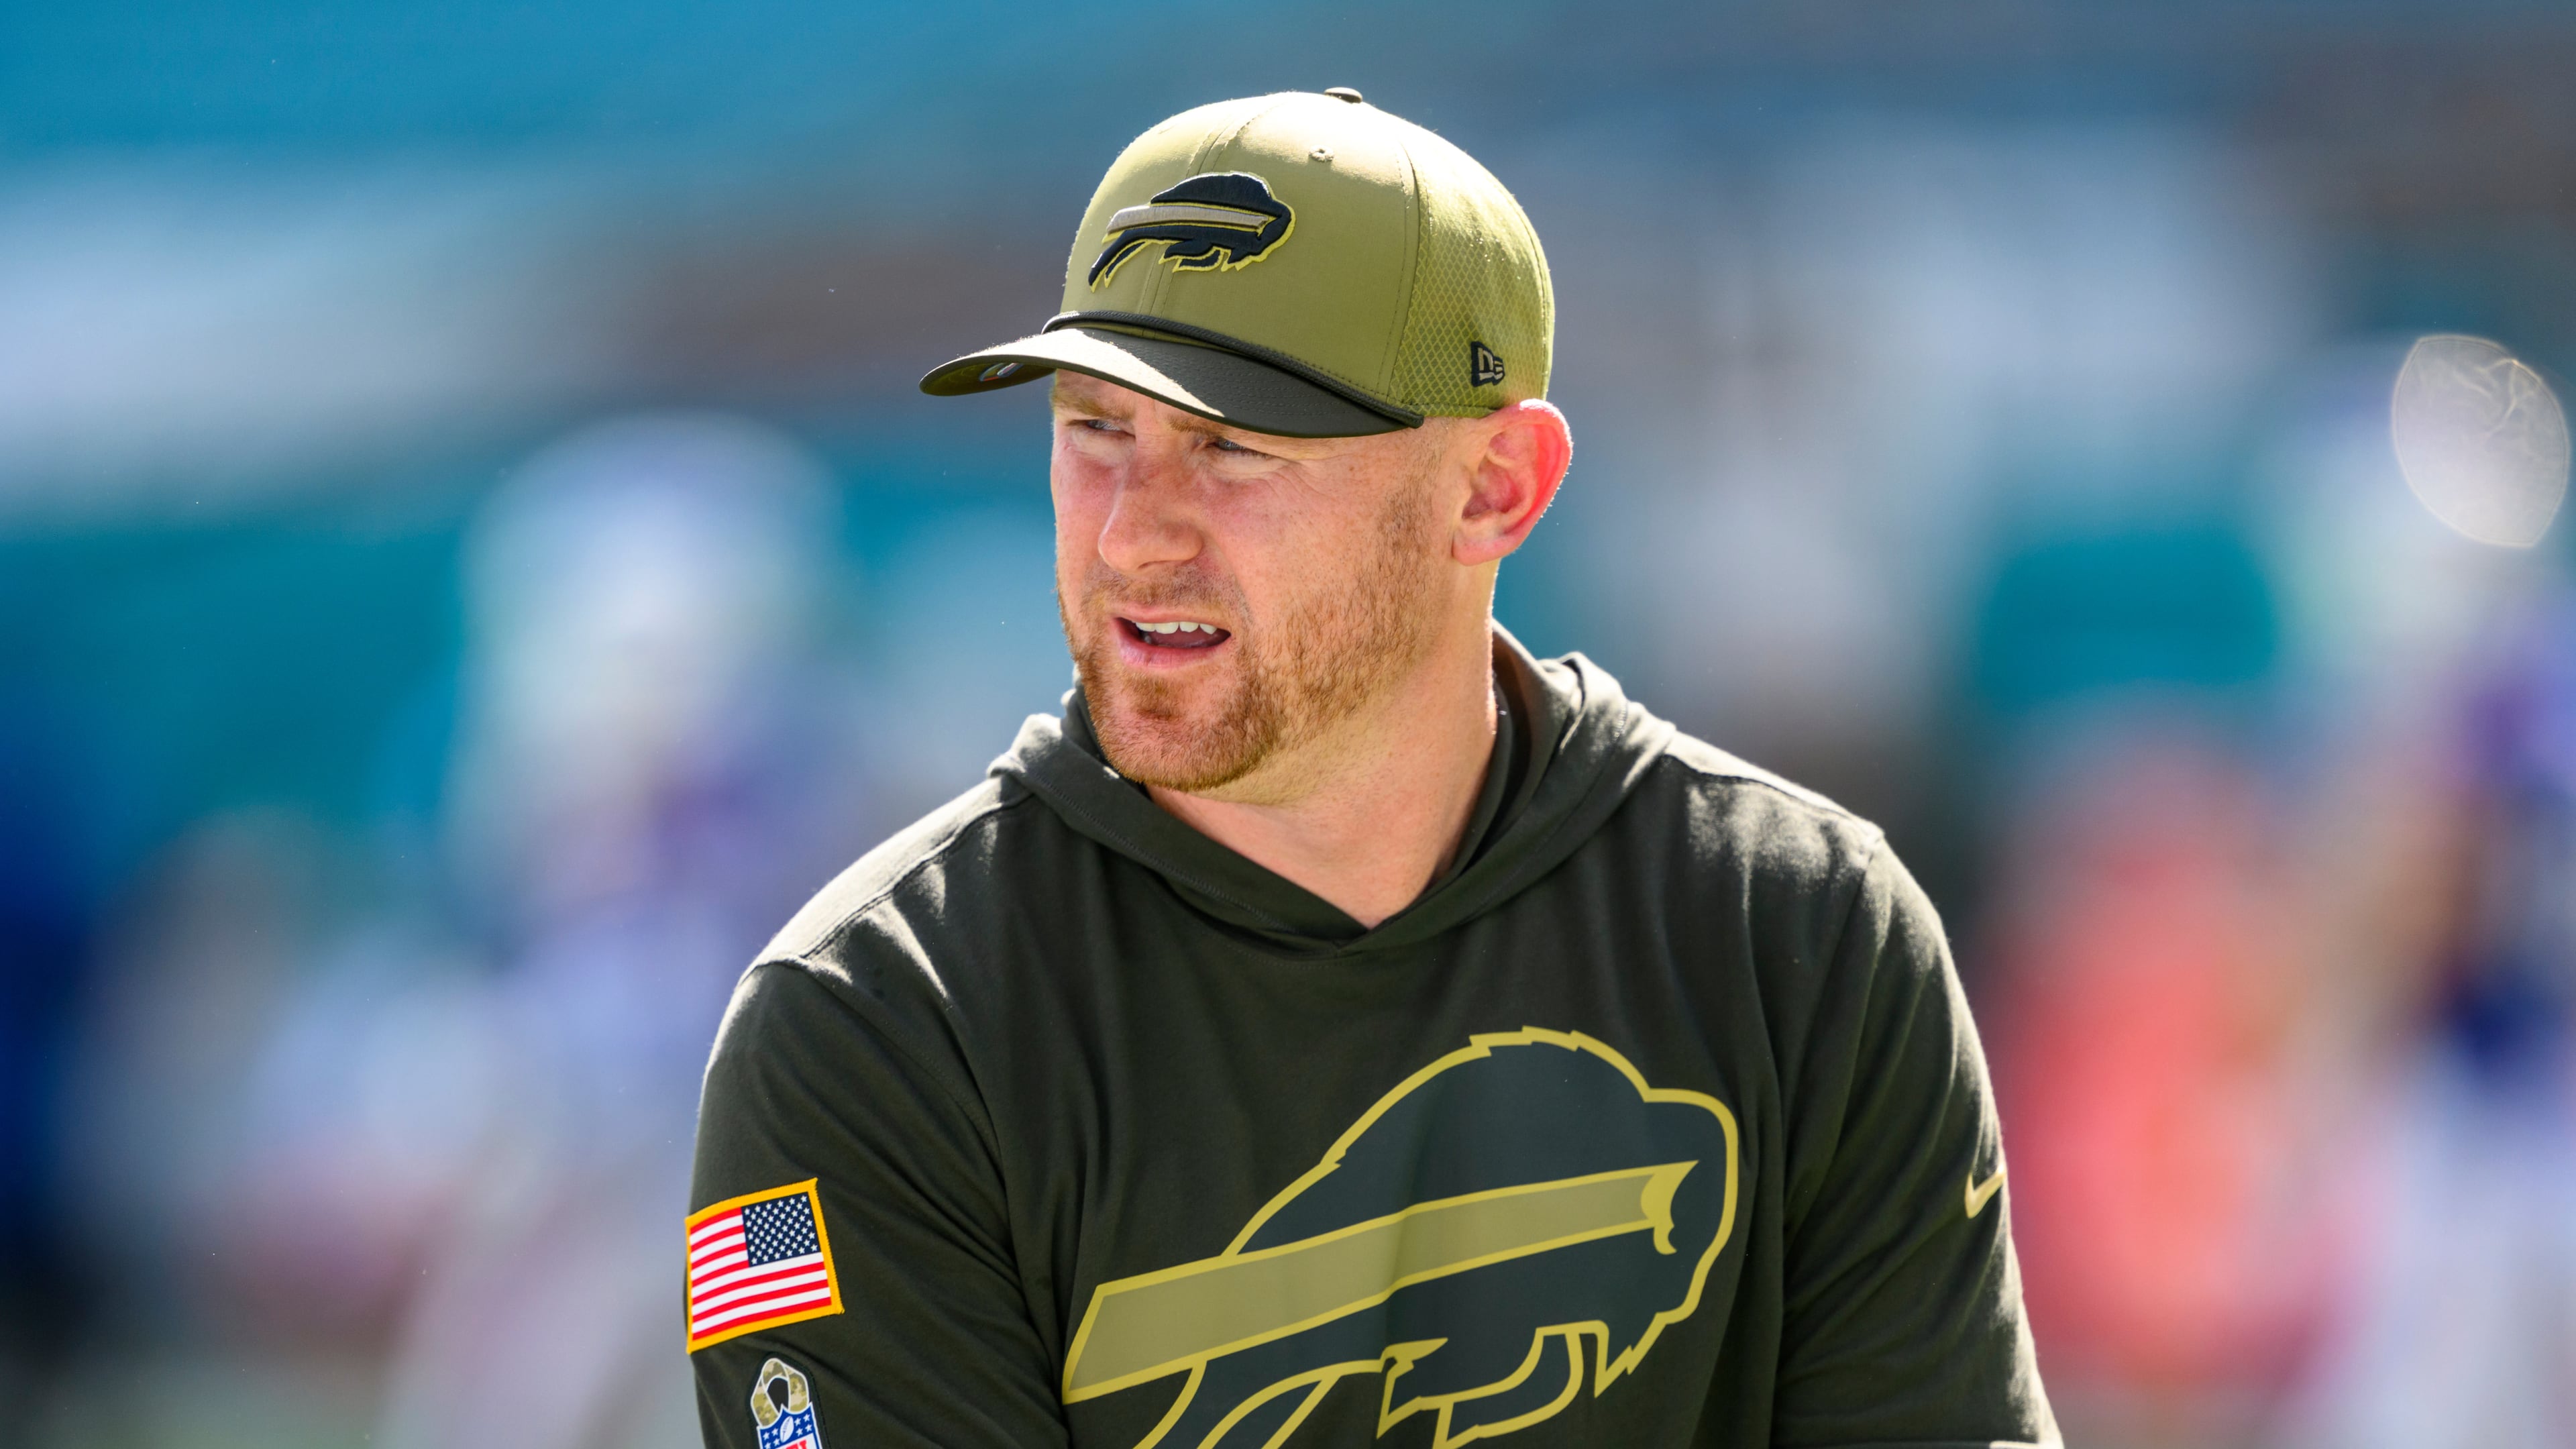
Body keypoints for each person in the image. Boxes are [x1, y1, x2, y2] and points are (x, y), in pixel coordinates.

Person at [686, 90, 2057, 1449]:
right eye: (1096, 431)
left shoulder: (1802, 936)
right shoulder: (870, 1028)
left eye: (1234, 446)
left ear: (1494, 487)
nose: (1131, 539)